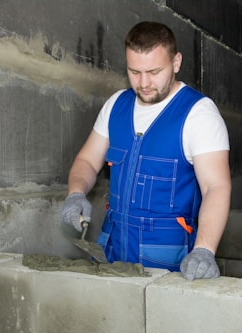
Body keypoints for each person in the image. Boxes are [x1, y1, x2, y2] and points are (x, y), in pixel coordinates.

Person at [61, 21, 231, 280]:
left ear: (176, 62)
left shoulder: (199, 114)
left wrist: (205, 250)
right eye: (134, 71)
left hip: (167, 262)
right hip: (113, 254)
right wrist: (75, 193)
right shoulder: (116, 105)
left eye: (154, 71)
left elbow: (216, 187)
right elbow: (87, 159)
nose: (144, 82)